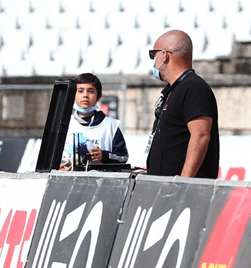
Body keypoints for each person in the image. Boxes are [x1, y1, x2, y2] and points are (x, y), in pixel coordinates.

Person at [145, 29, 219, 178]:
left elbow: (201, 136)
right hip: (165, 188)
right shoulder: (175, 89)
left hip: (183, 193)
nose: (154, 61)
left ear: (164, 55)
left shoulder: (194, 88)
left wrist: (184, 183)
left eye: (154, 55)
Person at [60, 73, 128, 171]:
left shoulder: (111, 126)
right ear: (73, 95)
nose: (85, 95)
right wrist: (57, 168)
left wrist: (104, 155)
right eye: (80, 91)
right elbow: (49, 158)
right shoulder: (63, 124)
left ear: (98, 97)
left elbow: (124, 157)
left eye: (91, 91)